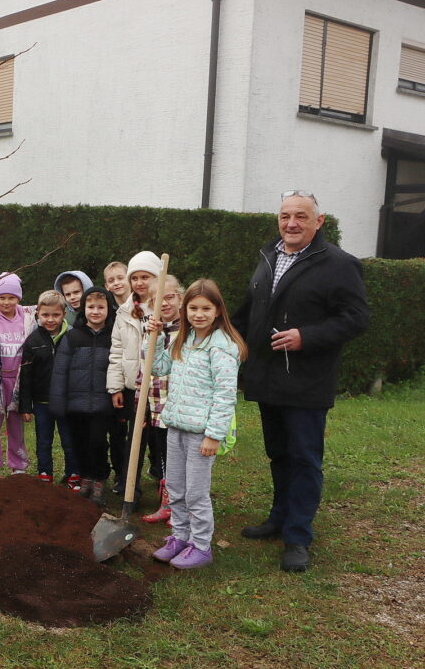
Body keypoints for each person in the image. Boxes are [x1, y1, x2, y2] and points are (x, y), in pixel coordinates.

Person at [232, 191, 369, 572]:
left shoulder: (339, 264)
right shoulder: (268, 257)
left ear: (318, 221)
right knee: (279, 452)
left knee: (305, 459)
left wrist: (305, 336)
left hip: (306, 381)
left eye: (301, 217)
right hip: (267, 378)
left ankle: (298, 536)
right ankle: (279, 517)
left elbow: (356, 318)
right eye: (285, 216)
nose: (291, 223)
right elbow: (247, 312)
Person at [148, 279, 246, 570]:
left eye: (205, 308)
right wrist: (151, 338)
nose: (198, 314)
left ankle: (201, 545)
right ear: (184, 309)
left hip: (202, 434)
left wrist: (214, 435)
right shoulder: (183, 339)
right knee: (176, 487)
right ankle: (180, 536)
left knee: (195, 493)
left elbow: (225, 395)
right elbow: (158, 368)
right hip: (176, 427)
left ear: (218, 311)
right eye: (193, 308)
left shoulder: (222, 347)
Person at [49, 287, 117, 506]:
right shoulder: (72, 336)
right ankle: (86, 477)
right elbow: (60, 371)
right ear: (83, 309)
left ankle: (99, 479)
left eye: (100, 307)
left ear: (108, 308)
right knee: (80, 442)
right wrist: (59, 403)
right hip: (75, 403)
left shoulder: (114, 336)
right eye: (90, 307)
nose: (95, 311)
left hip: (102, 403)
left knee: (98, 442)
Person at [106, 251, 161, 497]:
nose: (139, 282)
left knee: (161, 439)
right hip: (133, 385)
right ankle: (131, 488)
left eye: (145, 277)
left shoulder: (166, 306)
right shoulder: (125, 312)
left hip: (161, 386)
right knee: (134, 438)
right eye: (135, 277)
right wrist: (116, 387)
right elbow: (116, 351)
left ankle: (166, 488)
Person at [0, 272, 37, 479]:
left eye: (11, 297)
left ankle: (18, 466)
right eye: (2, 297)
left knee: (16, 424)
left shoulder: (29, 316)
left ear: (18, 298)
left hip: (19, 379)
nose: (6, 302)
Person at [19, 290, 75, 486]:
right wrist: (25, 406)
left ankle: (73, 474)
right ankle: (45, 474)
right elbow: (25, 375)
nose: (50, 319)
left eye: (55, 315)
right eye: (45, 315)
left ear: (64, 314)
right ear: (38, 315)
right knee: (44, 441)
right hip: (41, 402)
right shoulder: (33, 341)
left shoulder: (72, 337)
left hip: (66, 401)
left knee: (69, 440)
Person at [141, 275, 184, 525]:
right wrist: (151, 337)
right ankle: (167, 503)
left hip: (180, 406)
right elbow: (147, 364)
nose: (164, 304)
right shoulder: (153, 328)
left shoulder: (189, 329)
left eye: (169, 297)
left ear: (180, 297)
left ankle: (182, 506)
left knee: (180, 458)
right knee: (163, 456)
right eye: (157, 300)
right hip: (157, 404)